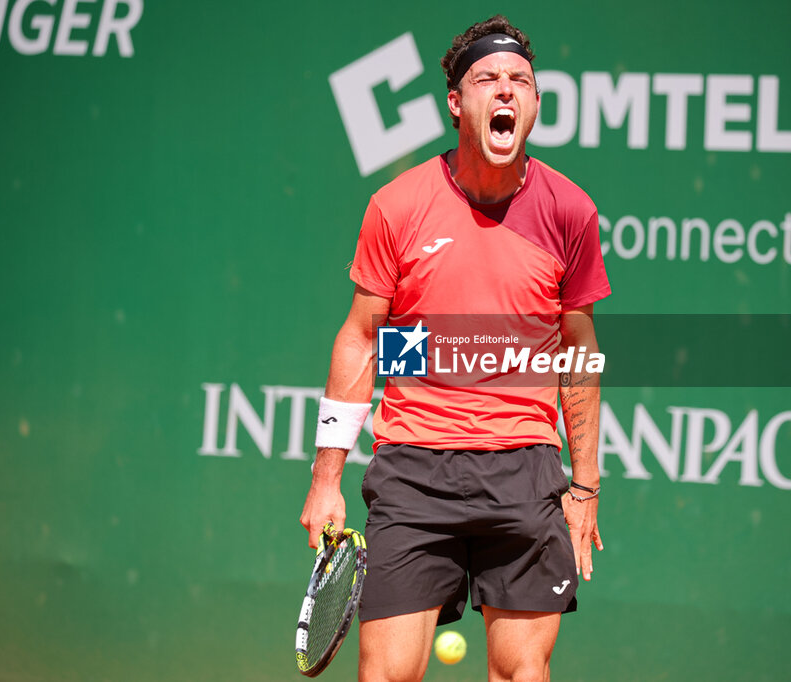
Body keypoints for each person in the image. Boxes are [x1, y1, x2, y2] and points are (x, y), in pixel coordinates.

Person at [300, 15, 610, 682]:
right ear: (456, 103)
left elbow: (578, 349)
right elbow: (364, 336)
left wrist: (584, 485)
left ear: (535, 103)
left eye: (520, 80)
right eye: (487, 79)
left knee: (522, 673)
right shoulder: (398, 205)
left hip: (525, 470)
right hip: (414, 470)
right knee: (386, 676)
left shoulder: (570, 212)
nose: (506, 90)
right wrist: (326, 480)